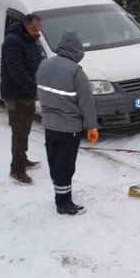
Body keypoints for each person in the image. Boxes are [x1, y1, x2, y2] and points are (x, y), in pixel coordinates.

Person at [36, 31, 98, 215]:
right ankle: (64, 203)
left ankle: (59, 195)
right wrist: (92, 126)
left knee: (55, 162)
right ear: (76, 50)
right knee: (66, 165)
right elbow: (86, 102)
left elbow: (39, 91)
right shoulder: (75, 71)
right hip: (69, 128)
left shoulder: (44, 65)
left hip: (49, 125)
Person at [1, 13, 44, 184]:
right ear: (25, 26)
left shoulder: (30, 39)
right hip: (16, 94)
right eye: (34, 29)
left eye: (38, 30)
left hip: (27, 93)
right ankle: (17, 169)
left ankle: (23, 159)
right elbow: (16, 70)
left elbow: (37, 61)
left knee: (25, 128)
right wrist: (33, 88)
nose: (37, 33)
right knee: (19, 131)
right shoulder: (13, 41)